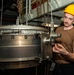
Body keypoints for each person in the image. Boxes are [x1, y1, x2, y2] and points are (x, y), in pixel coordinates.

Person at [52, 4, 74, 75]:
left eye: (70, 19)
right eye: (65, 17)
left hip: (68, 67)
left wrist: (65, 52)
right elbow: (53, 43)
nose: (66, 21)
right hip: (56, 64)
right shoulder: (58, 29)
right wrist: (52, 49)